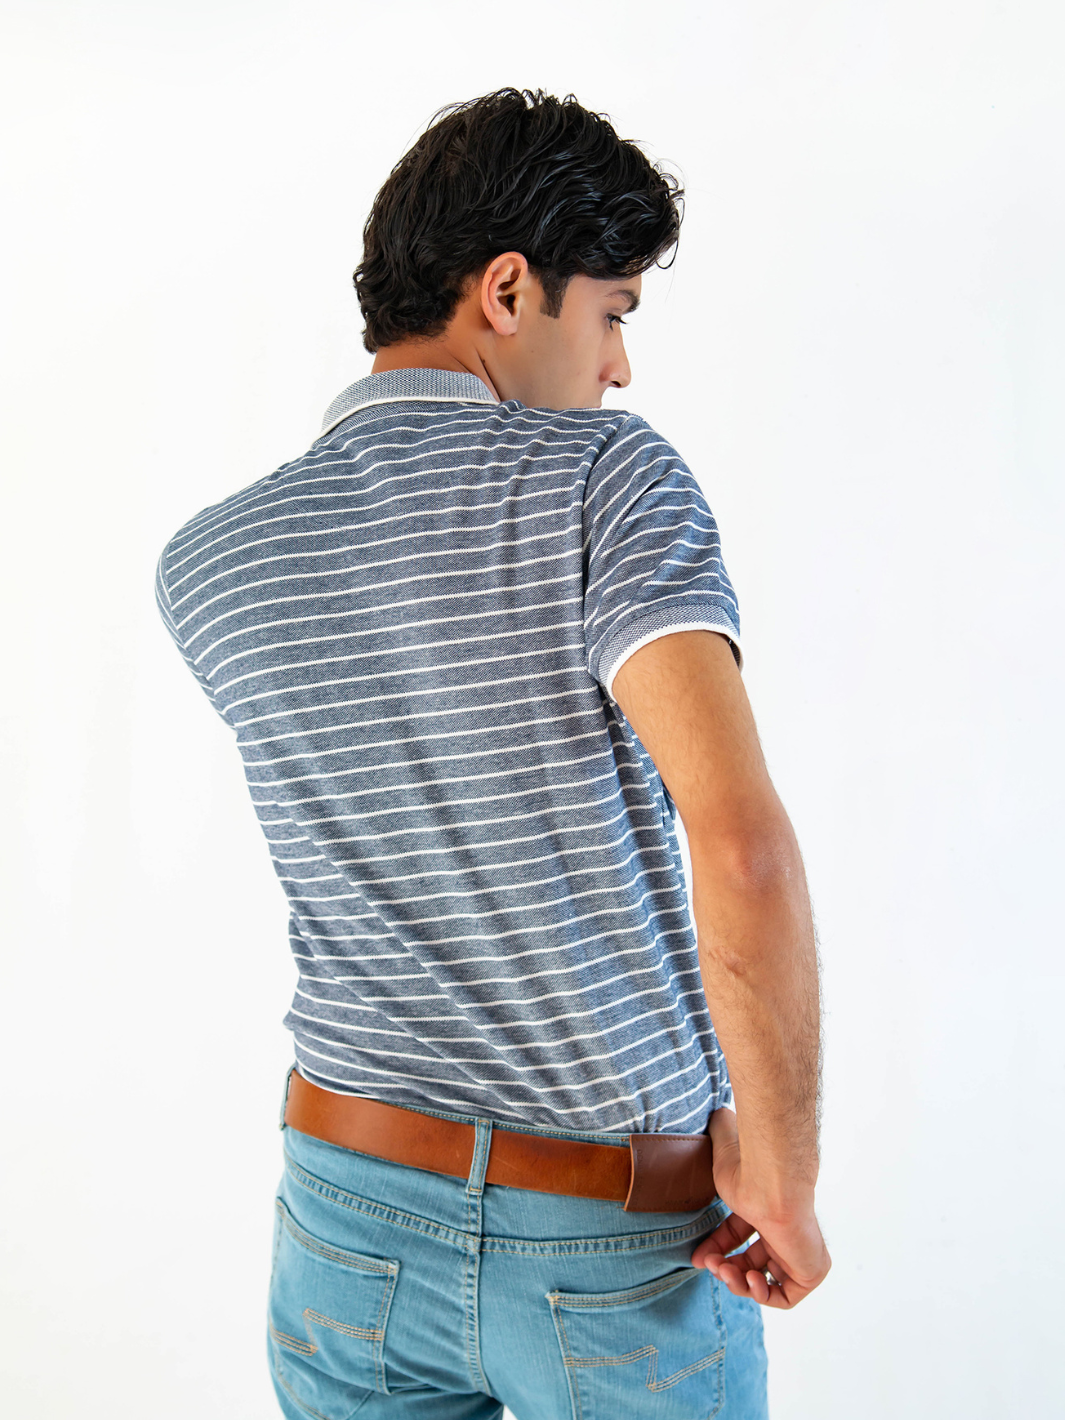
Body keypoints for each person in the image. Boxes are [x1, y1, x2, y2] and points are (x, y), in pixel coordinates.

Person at [156, 87, 829, 1420]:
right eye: (614, 314)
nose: (620, 368)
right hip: (613, 1241)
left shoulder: (211, 564)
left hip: (343, 1217)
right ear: (509, 291)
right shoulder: (604, 480)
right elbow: (742, 849)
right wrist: (784, 1177)